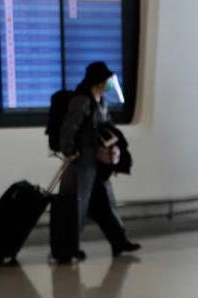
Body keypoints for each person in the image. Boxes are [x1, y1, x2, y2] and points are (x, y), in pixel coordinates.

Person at [54, 61, 140, 263]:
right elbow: (69, 128)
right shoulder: (82, 101)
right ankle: (69, 249)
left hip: (97, 162)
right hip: (81, 163)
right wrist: (69, 150)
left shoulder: (100, 101)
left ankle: (120, 241)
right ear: (99, 81)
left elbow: (105, 127)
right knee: (78, 205)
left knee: (107, 202)